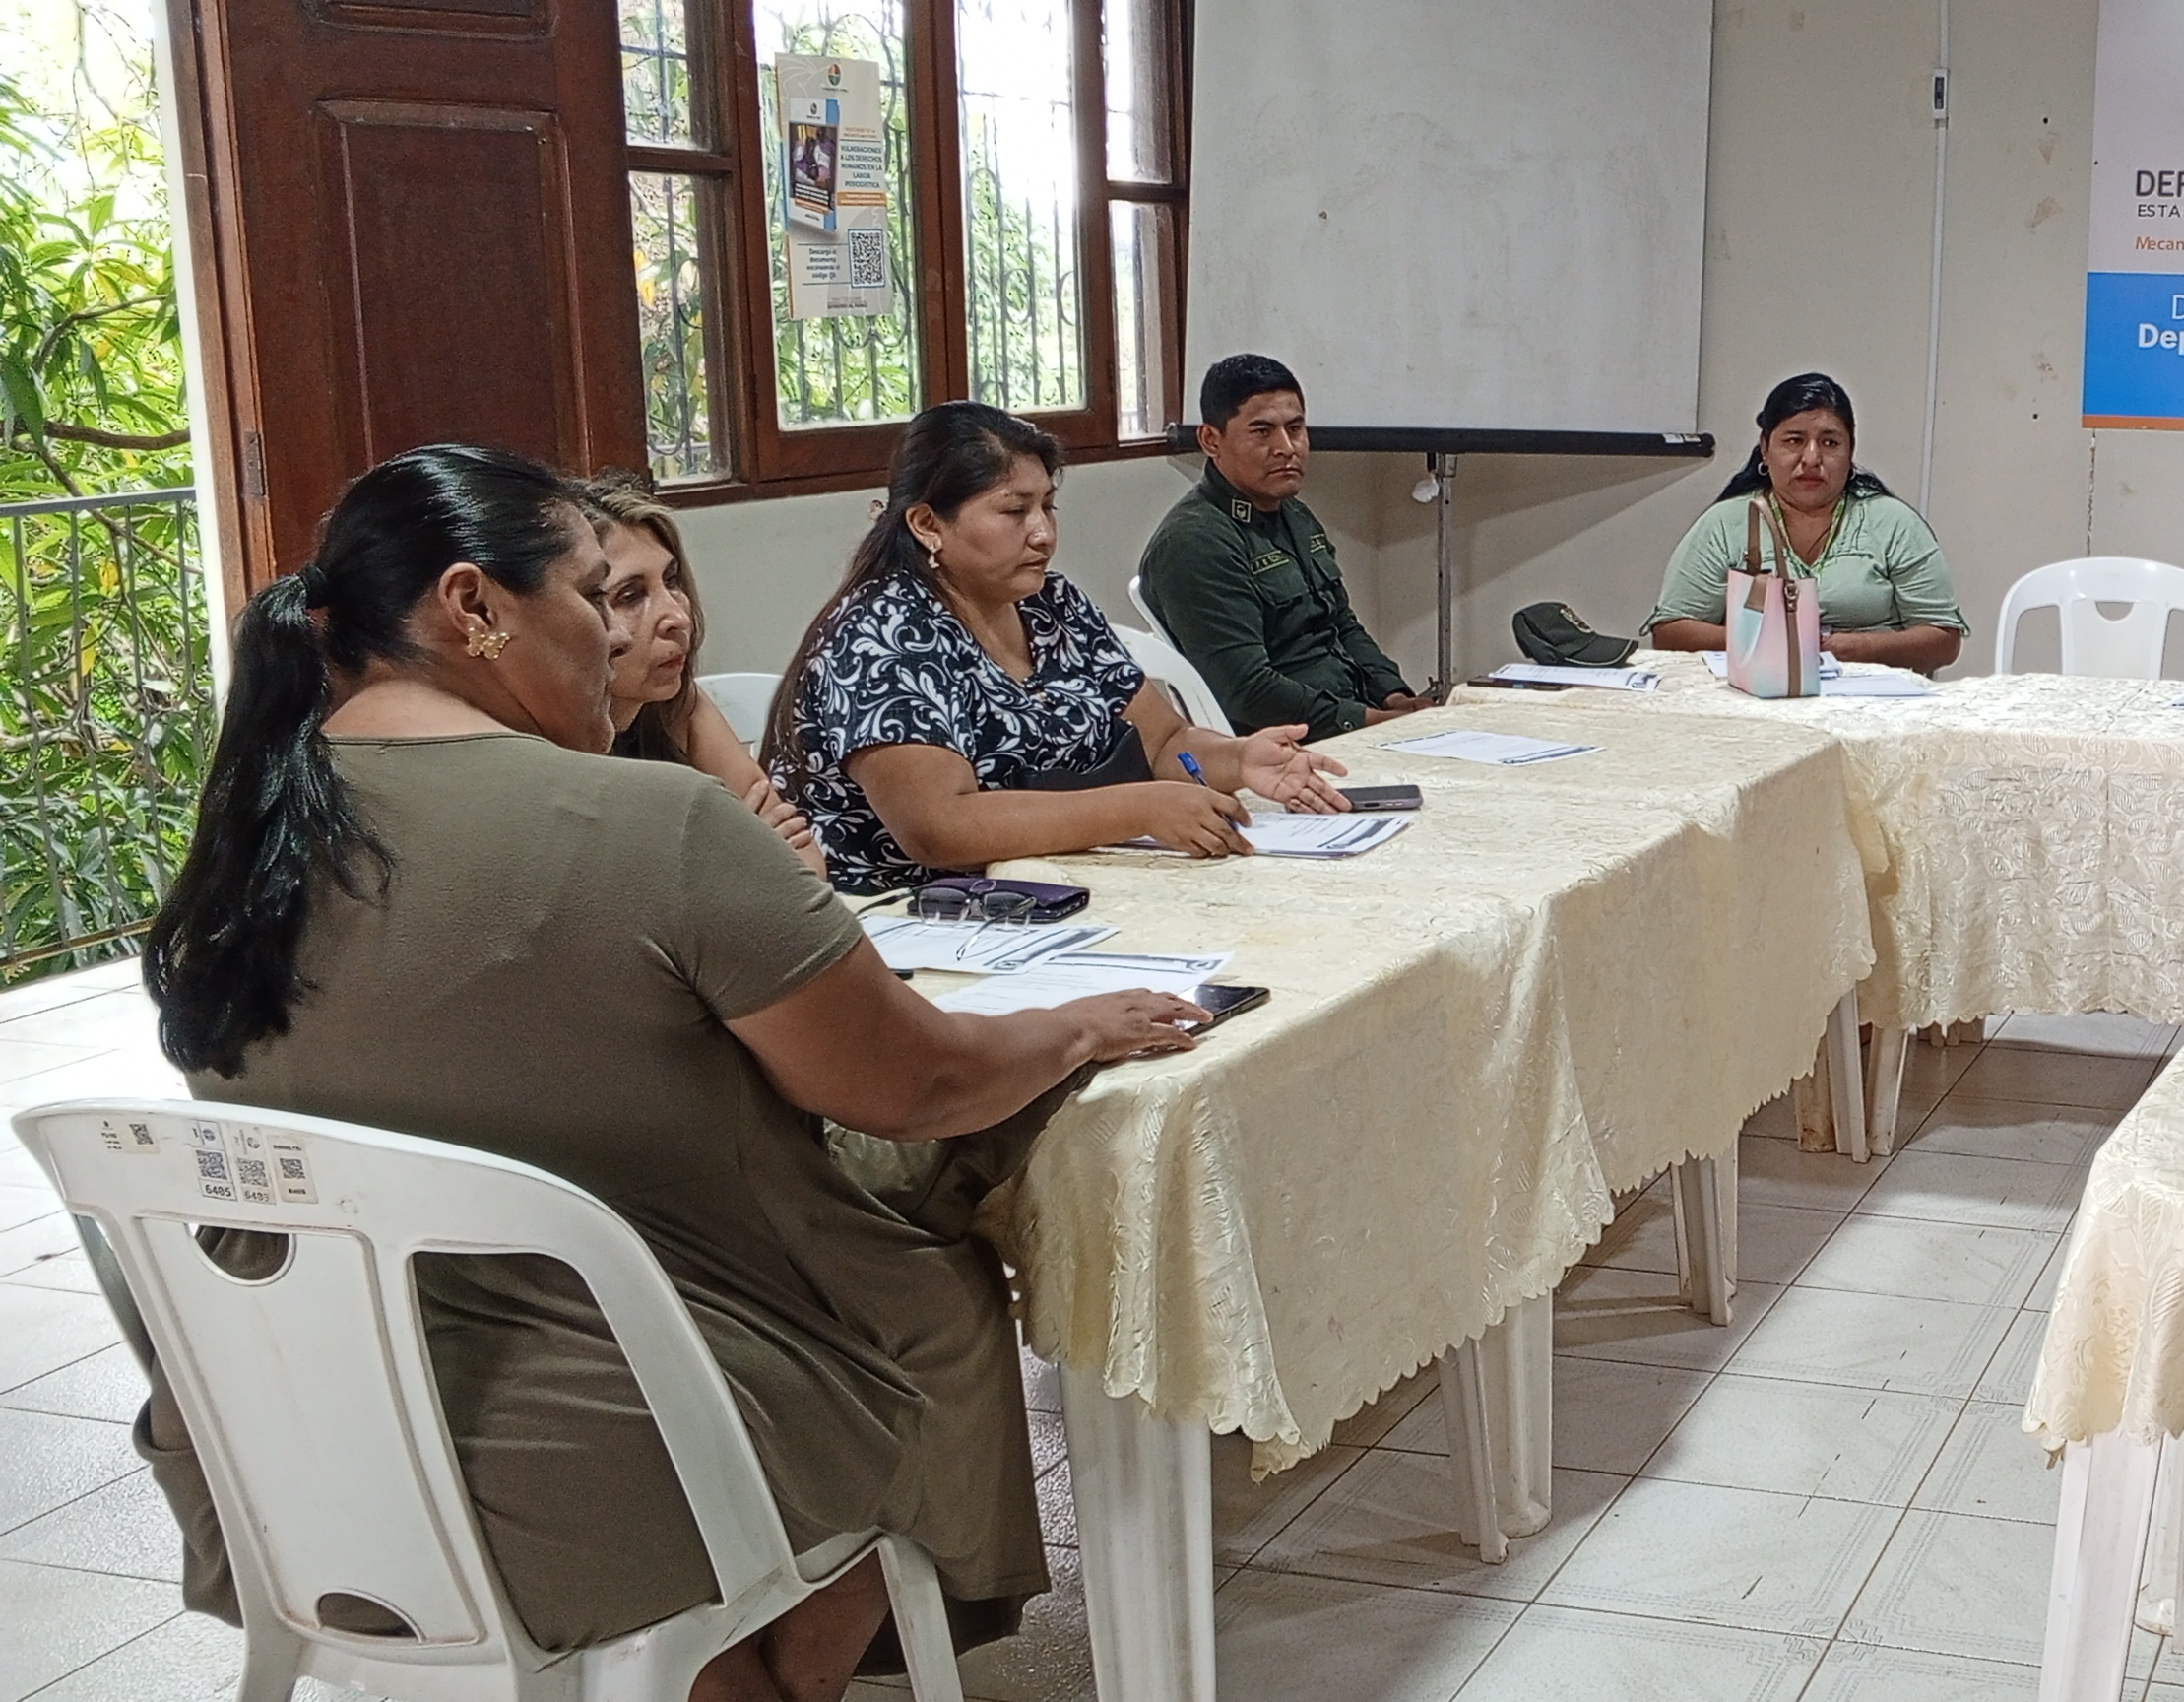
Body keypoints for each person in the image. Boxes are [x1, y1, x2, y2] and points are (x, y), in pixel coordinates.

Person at [134, 445, 1221, 1702]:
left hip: (278, 1422)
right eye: (595, 596)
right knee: (928, 1284)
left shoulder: (248, 835)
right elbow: (917, 1085)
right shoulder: (655, 825)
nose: (621, 635)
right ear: (473, 607)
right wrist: (1075, 1028)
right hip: (607, 1430)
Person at [768, 400, 1352, 894]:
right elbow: (939, 827)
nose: (1043, 533)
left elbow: (1165, 741)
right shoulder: (881, 635)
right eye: (1013, 511)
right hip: (916, 917)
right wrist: (1138, 808)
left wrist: (1237, 759)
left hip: (1064, 889)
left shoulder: (1053, 604)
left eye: (1047, 506)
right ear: (927, 524)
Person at [1136, 354, 1435, 736]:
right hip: (1286, 745)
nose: (1286, 448)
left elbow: (1342, 625)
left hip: (1353, 717)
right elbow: (1246, 690)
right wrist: (1369, 721)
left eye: (1295, 428)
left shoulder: (1294, 514)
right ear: (1211, 440)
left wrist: (1396, 697)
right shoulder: (1195, 543)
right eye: (1262, 432)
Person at [582, 470, 825, 877]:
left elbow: (805, 864)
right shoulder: (544, 744)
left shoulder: (679, 706)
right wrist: (731, 862)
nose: (677, 617)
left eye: (672, 581)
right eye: (631, 595)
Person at [1646, 371, 1965, 670]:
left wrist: (1858, 648)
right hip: (1759, 691)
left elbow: (1943, 639)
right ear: (1765, 448)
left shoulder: (1894, 524)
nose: (1811, 459)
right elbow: (1671, 632)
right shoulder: (1726, 524)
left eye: (1830, 443)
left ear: (1850, 451)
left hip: (1871, 694)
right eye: (1794, 441)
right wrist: (1777, 643)